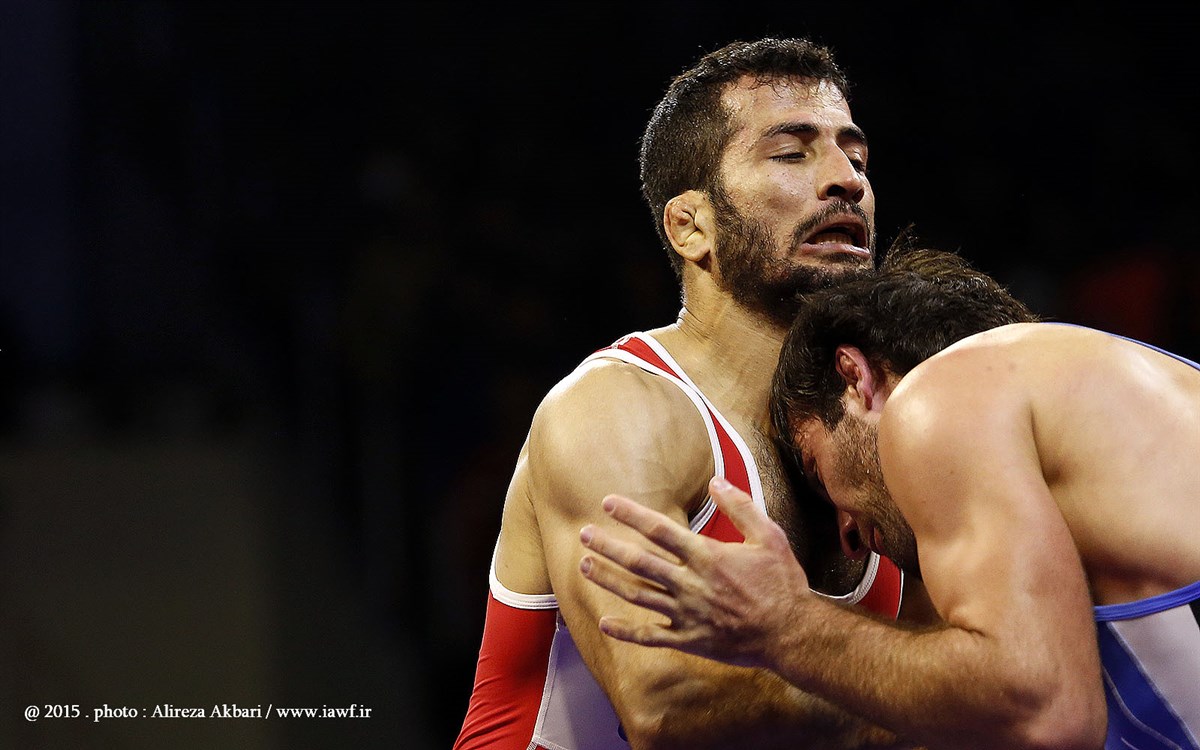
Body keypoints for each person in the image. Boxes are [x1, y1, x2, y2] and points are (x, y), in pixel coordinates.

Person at [454, 38, 924, 750]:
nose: (845, 182)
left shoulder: (886, 424)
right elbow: (664, 707)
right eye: (791, 154)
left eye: (856, 158)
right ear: (690, 225)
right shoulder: (618, 409)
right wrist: (944, 695)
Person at [578, 248, 1200, 750]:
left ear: (856, 379)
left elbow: (1044, 713)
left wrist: (786, 625)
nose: (847, 533)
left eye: (819, 471)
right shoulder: (1123, 392)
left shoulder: (941, 392)